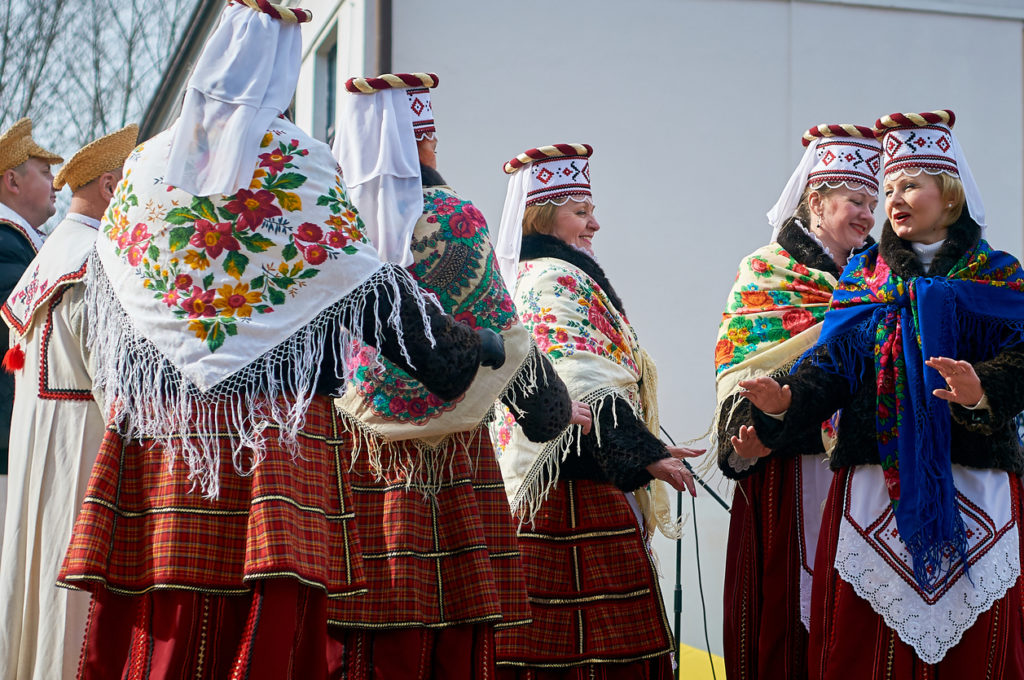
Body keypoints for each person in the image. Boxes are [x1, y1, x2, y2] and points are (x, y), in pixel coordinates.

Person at [55, 3, 503, 678]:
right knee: (269, 630)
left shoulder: (144, 169)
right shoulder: (298, 159)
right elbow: (364, 284)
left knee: (157, 619)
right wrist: (463, 354)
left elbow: (108, 300)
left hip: (159, 435)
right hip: (274, 432)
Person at [740, 110, 1024, 678]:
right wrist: (786, 401)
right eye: (888, 187)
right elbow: (834, 365)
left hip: (976, 482)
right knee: (865, 650)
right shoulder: (864, 280)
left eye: (910, 185)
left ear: (948, 196)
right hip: (873, 486)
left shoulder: (998, 273)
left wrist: (981, 388)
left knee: (979, 645)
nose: (893, 199)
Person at [327, 72, 590, 679]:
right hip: (446, 456)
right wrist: (548, 410)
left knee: (351, 622)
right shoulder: (448, 215)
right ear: (424, 141)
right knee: (444, 625)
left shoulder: (330, 225)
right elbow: (499, 321)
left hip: (349, 449)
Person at [491, 143, 702, 679]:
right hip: (569, 492)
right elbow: (581, 380)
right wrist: (644, 453)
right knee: (599, 650)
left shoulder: (537, 275)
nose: (595, 224)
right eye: (581, 212)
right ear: (542, 215)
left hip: (562, 479)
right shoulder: (552, 279)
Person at [714, 123, 880, 680]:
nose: (867, 214)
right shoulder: (765, 271)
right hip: (786, 473)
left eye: (872, 203)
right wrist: (758, 425)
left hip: (865, 472)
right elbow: (739, 368)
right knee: (786, 618)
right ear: (817, 201)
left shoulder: (882, 279)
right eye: (855, 200)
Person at [0, 123, 137, 680]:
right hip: (82, 448)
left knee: (35, 585)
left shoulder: (48, 255)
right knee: (71, 612)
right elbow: (118, 382)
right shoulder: (97, 260)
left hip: (38, 443)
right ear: (111, 188)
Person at [0, 118, 62, 551]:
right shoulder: (6, 244)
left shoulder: (21, 244)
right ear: (12, 182)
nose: (55, 182)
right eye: (43, 172)